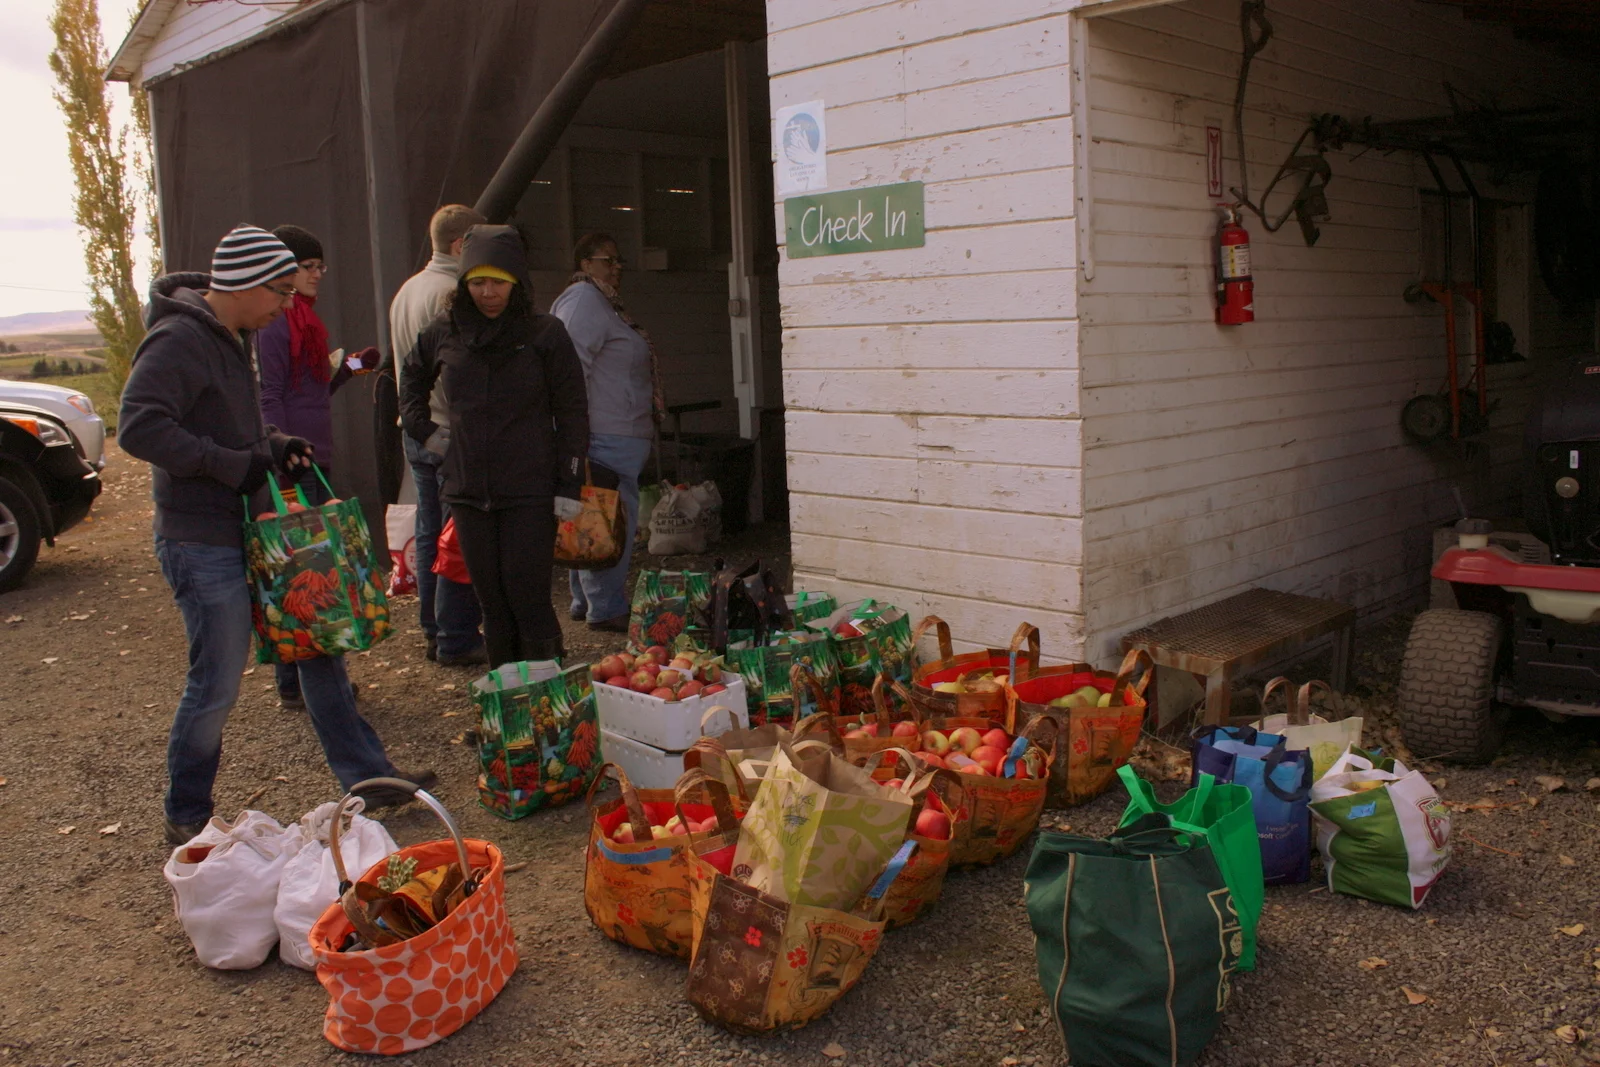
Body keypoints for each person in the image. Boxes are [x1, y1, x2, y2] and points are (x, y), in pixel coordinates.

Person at [119, 224, 434, 845]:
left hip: (257, 528)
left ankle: (370, 779)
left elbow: (232, 423)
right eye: (282, 291)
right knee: (217, 676)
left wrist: (272, 444)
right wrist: (227, 463)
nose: (289, 304)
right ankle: (186, 810)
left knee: (318, 644)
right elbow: (137, 427)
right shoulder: (179, 338)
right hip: (200, 538)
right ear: (245, 284)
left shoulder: (234, 336)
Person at [400, 224, 589, 667]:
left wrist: (569, 482)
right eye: (478, 282)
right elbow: (408, 378)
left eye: (498, 282)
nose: (489, 293)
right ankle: (510, 711)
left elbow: (574, 411)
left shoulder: (545, 333)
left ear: (516, 283)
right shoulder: (445, 330)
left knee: (529, 597)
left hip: (529, 488)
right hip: (468, 489)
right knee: (492, 602)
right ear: (464, 283)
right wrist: (421, 428)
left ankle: (552, 704)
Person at [257, 223, 375, 708]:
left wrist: (350, 370)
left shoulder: (306, 322)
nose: (317, 275)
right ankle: (302, 685)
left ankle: (306, 682)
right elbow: (269, 397)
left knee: (311, 569)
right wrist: (283, 458)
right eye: (308, 267)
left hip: (311, 458)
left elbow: (309, 391)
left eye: (319, 266)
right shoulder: (278, 321)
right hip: (291, 467)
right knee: (302, 573)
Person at [389, 204, 487, 666]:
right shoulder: (452, 293)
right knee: (458, 536)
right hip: (448, 429)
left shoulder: (407, 290)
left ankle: (433, 626)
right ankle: (456, 634)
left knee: (430, 531)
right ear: (459, 245)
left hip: (415, 428)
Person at [549, 232, 663, 633]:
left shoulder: (603, 304)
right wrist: (573, 429)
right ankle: (605, 605)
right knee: (608, 517)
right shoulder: (583, 302)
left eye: (618, 261)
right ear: (584, 264)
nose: (616, 268)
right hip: (602, 432)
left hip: (615, 431)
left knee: (587, 515)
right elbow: (568, 367)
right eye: (606, 260)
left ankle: (585, 600)